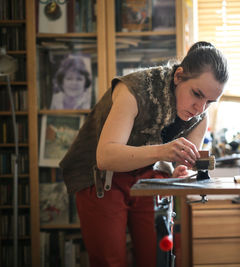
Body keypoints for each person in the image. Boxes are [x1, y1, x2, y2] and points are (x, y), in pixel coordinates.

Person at [59, 41, 228, 266]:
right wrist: (163, 151)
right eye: (197, 94)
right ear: (178, 76)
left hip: (148, 175)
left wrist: (181, 170)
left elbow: (184, 166)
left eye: (209, 102)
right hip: (99, 176)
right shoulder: (134, 89)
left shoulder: (200, 117)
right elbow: (105, 156)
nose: (200, 108)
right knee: (110, 261)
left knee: (158, 258)